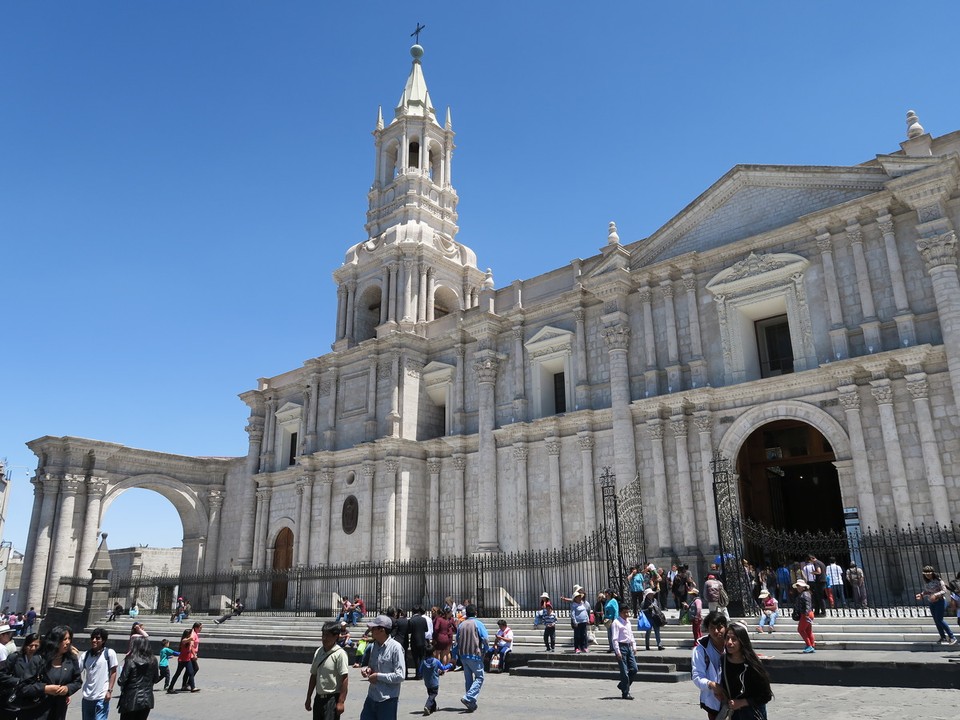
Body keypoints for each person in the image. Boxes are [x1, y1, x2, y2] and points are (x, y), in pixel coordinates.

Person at [718, 622, 773, 719]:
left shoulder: (753, 664)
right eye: (727, 638)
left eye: (734, 639)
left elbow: (765, 695)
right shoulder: (723, 660)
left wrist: (742, 702)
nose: (729, 642)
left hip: (752, 714)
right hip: (733, 714)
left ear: (742, 641)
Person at [359, 615, 404, 720]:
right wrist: (368, 670)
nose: (371, 631)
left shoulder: (395, 648)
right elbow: (372, 666)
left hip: (387, 699)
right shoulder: (374, 646)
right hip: (372, 696)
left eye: (374, 628)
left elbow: (400, 676)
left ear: (382, 630)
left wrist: (378, 676)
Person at [305, 621, 349, 720]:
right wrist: (308, 698)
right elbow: (313, 675)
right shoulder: (318, 652)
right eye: (323, 635)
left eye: (328, 636)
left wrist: (341, 702)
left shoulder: (340, 654)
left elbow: (344, 679)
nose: (324, 638)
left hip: (332, 699)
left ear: (336, 637)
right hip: (319, 698)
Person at [37, 625, 83, 720]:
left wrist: (67, 689)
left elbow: (77, 681)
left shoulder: (71, 659)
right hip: (38, 709)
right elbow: (25, 686)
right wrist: (45, 688)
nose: (68, 642)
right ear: (55, 640)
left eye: (69, 639)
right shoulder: (39, 659)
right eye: (64, 639)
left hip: (59, 711)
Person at [691, 611, 728, 720]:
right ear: (707, 628)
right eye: (712, 627)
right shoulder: (700, 650)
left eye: (720, 627)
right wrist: (711, 685)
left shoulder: (732, 644)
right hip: (712, 698)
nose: (716, 631)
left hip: (734, 697)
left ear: (726, 627)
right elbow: (697, 676)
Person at [116, 635, 160, 720]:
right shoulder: (153, 660)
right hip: (147, 699)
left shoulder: (130, 659)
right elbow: (156, 679)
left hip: (130, 699)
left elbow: (121, 680)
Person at [2, 632, 44, 720]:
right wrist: (18, 681)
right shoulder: (15, 658)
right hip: (13, 700)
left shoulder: (43, 661)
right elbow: (2, 675)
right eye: (30, 645)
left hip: (33, 702)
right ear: (25, 646)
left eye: (36, 646)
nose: (33, 648)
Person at [79, 627, 118, 720]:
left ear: (103, 640)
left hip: (102, 697)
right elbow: (76, 671)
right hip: (87, 697)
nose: (94, 640)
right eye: (92, 638)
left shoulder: (109, 653)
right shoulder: (85, 655)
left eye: (97, 638)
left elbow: (114, 672)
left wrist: (109, 690)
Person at [454, 605, 487, 713]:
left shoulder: (461, 625)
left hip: (463, 655)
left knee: (468, 679)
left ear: (466, 613)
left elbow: (456, 641)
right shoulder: (478, 624)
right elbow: (485, 639)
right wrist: (486, 650)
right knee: (479, 677)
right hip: (474, 655)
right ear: (476, 613)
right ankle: (468, 697)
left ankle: (471, 702)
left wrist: (454, 655)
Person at [916, 565, 957, 645]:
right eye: (926, 574)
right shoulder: (927, 582)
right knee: (936, 621)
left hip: (940, 602)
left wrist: (936, 595)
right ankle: (943, 637)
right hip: (932, 603)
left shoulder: (939, 581)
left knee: (939, 620)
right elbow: (927, 591)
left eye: (929, 574)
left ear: (932, 573)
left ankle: (952, 637)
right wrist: (921, 594)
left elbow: (944, 590)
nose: (927, 575)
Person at [611, 604, 637, 700]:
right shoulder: (616, 623)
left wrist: (634, 646)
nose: (627, 614)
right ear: (620, 613)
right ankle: (625, 692)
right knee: (624, 671)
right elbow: (614, 638)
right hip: (621, 647)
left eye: (628, 612)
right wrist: (617, 651)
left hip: (628, 646)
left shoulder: (628, 622)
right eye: (625, 612)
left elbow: (631, 634)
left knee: (634, 669)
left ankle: (622, 684)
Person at [419, 646, 452, 716]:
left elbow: (420, 671)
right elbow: (443, 668)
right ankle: (427, 706)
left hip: (427, 682)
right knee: (433, 695)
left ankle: (433, 708)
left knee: (431, 694)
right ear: (433, 653)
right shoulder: (436, 661)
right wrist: (450, 665)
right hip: (434, 682)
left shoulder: (423, 662)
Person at [166, 629, 197, 693]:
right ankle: (170, 688)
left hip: (187, 659)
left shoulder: (189, 641)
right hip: (182, 660)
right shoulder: (184, 640)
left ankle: (193, 687)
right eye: (190, 633)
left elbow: (191, 648)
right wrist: (192, 634)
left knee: (191, 673)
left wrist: (194, 655)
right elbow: (190, 639)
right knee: (177, 673)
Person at [560, 589, 590, 654]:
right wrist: (575, 621)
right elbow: (573, 614)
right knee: (577, 636)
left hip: (584, 621)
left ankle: (583, 647)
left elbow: (585, 612)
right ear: (575, 598)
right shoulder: (574, 605)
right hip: (578, 622)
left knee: (583, 635)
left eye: (580, 597)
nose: (579, 598)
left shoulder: (582, 603)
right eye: (578, 597)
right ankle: (577, 648)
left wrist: (587, 619)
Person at [793, 579, 816, 653]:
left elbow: (807, 604)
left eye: (799, 586)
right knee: (808, 631)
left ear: (804, 587)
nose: (798, 588)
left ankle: (809, 645)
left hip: (806, 614)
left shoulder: (804, 594)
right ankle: (811, 645)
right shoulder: (806, 593)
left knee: (800, 630)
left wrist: (806, 614)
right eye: (797, 586)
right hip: (808, 613)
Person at [407, 607, 429, 680]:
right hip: (422, 641)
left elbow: (409, 631)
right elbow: (426, 629)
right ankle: (421, 673)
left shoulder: (411, 620)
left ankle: (418, 674)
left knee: (416, 658)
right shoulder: (423, 619)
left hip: (414, 642)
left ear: (412, 612)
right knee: (422, 657)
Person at [179, 622, 202, 690]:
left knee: (188, 670)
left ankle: (185, 685)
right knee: (195, 668)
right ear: (196, 627)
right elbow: (191, 645)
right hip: (191, 654)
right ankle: (189, 684)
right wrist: (194, 654)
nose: (201, 629)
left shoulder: (195, 634)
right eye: (200, 627)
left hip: (192, 653)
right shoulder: (193, 634)